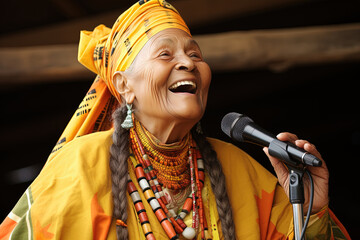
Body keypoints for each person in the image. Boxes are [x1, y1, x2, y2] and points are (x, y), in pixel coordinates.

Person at [0, 0, 351, 239]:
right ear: (124, 86)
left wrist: (311, 211)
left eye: (195, 53)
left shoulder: (240, 172)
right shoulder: (79, 167)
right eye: (166, 54)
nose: (188, 62)